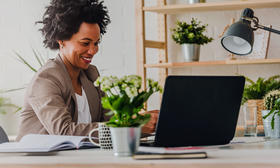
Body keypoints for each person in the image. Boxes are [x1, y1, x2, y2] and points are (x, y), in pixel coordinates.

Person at [16, 0, 158, 141]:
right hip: (41, 161)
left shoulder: (91, 75)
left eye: (96, 43)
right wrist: (132, 126)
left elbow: (112, 120)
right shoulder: (46, 80)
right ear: (61, 40)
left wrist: (143, 120)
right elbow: (63, 131)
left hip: (80, 158)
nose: (93, 50)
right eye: (85, 43)